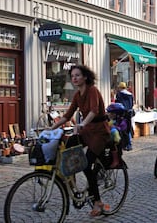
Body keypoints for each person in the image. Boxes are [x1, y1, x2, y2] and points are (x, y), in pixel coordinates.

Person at [49, 65, 111, 217]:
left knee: (85, 163)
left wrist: (83, 123)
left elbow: (94, 110)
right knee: (68, 146)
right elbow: (67, 115)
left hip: (99, 132)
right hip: (86, 130)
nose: (74, 78)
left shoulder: (92, 90)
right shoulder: (77, 95)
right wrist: (52, 127)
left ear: (85, 77)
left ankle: (97, 201)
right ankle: (72, 184)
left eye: (77, 75)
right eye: (72, 76)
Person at [115, 82, 134, 151]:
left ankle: (125, 144)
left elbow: (118, 105)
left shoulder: (119, 94)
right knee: (128, 129)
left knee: (122, 129)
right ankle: (129, 144)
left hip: (122, 114)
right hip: (129, 113)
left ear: (120, 87)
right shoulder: (130, 94)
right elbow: (132, 104)